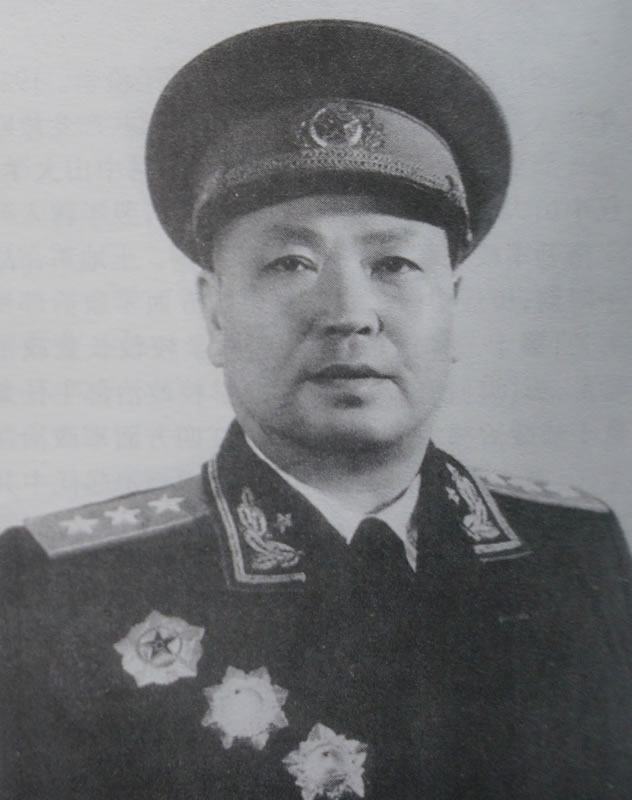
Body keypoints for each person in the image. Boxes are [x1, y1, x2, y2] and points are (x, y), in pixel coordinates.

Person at [1, 19, 631, 800]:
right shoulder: (66, 587)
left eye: (393, 263)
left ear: (454, 307)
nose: (349, 313)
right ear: (216, 316)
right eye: (290, 263)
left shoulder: (574, 554)